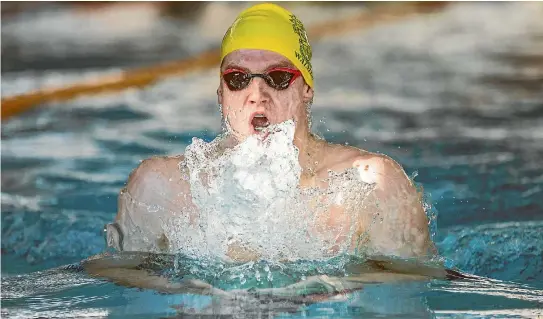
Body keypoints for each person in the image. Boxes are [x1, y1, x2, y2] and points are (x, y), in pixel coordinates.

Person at [106, 3, 436, 263]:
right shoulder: (159, 188)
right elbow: (125, 288)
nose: (256, 94)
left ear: (307, 88)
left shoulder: (367, 186)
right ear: (221, 93)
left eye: (277, 77)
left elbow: (411, 290)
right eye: (237, 78)